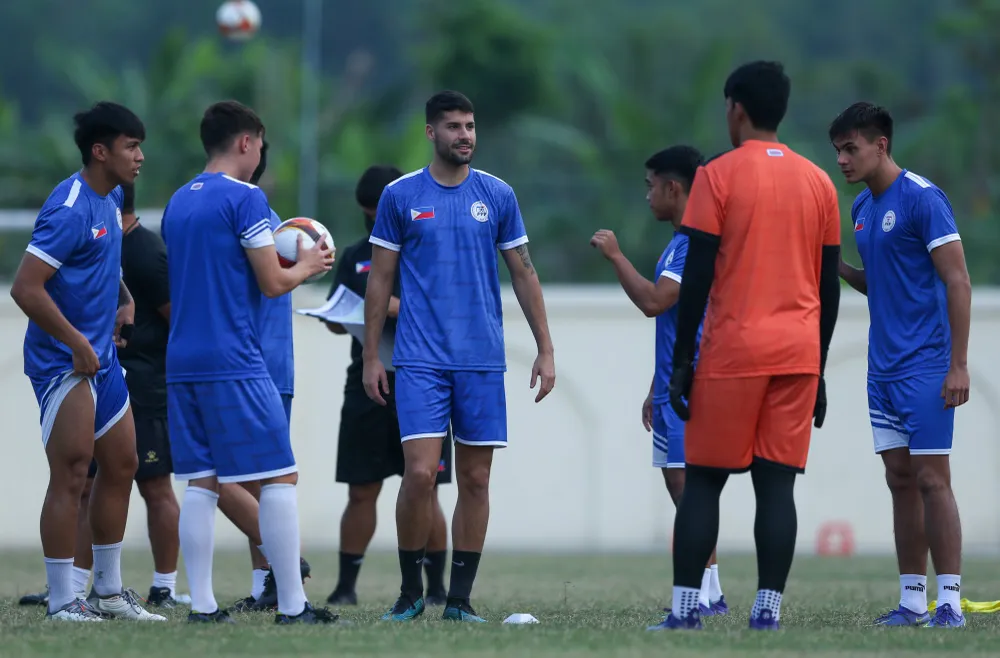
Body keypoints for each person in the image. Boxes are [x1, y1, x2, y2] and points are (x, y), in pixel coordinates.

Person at [659, 61, 842, 631]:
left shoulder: (717, 175)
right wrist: (820, 367)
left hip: (734, 352)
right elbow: (828, 283)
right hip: (798, 355)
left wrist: (684, 359)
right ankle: (768, 613)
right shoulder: (819, 181)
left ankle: (686, 613)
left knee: (704, 482)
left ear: (736, 108)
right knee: (776, 486)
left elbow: (698, 275)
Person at [363, 90, 556, 623]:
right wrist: (372, 358)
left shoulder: (497, 195)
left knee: (475, 480)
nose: (464, 135)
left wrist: (545, 348)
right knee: (420, 475)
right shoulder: (400, 196)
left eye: (470, 126)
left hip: (480, 361)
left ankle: (461, 601)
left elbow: (524, 272)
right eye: (453, 127)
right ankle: (409, 594)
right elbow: (380, 280)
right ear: (431, 132)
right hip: (420, 360)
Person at [161, 100, 336, 624]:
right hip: (232, 357)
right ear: (246, 141)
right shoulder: (247, 199)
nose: (260, 153)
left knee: (202, 482)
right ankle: (291, 605)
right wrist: (308, 264)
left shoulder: (177, 201)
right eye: (260, 144)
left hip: (181, 358)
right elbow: (272, 281)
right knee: (280, 477)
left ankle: (205, 607)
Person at [11, 101, 165, 622]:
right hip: (63, 363)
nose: (140, 156)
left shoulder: (112, 195)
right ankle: (61, 600)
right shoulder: (70, 207)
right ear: (101, 152)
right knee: (73, 471)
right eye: (131, 146)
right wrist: (76, 341)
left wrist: (122, 296)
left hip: (101, 359)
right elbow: (25, 288)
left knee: (121, 464)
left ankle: (108, 591)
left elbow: (105, 257)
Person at [829, 102, 971, 628]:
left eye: (851, 149)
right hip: (881, 369)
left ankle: (950, 602)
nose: (842, 160)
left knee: (934, 479)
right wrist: (836, 266)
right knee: (899, 478)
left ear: (880, 145)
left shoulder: (923, 199)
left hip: (927, 365)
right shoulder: (862, 209)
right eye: (838, 151)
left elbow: (957, 280)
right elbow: (880, 279)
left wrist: (957, 364)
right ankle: (913, 601)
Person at [590, 145, 727, 617]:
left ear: (674, 188)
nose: (647, 196)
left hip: (695, 385)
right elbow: (677, 323)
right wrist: (655, 384)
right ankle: (709, 585)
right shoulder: (678, 241)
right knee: (678, 484)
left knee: (689, 487)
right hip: (673, 382)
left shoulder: (693, 243)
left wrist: (615, 256)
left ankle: (709, 592)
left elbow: (655, 302)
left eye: (651, 187)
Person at [324, 165, 453, 607]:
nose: (372, 222)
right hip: (366, 380)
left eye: (377, 213)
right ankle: (345, 586)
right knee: (361, 489)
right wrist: (341, 316)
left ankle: (436, 588)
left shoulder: (429, 251)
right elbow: (339, 320)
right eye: (367, 214)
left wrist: (385, 305)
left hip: (422, 380)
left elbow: (441, 306)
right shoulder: (356, 254)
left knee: (425, 487)